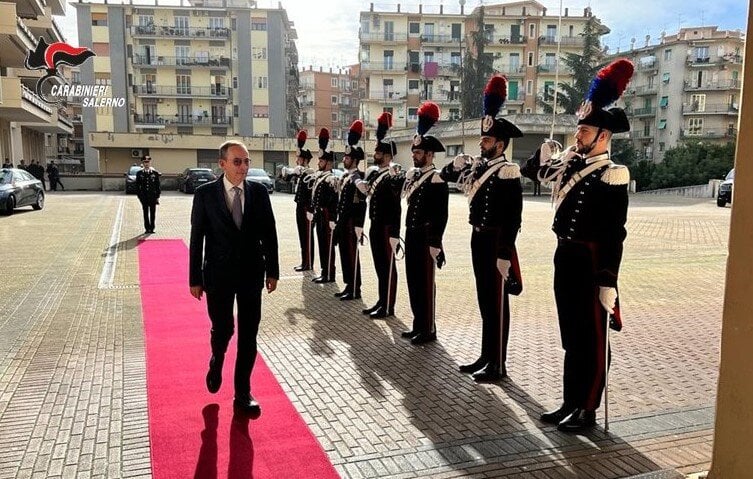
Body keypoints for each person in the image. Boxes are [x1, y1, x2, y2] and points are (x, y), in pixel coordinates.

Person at [534, 59, 633, 432]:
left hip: (593, 264)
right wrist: (546, 153)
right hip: (566, 257)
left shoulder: (612, 174)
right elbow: (535, 172)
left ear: (603, 136)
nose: (578, 136)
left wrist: (609, 280)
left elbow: (614, 232)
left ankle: (588, 409)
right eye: (579, 130)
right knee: (571, 336)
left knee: (592, 339)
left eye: (585, 130)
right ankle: (570, 401)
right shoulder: (572, 165)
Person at [441, 75, 523, 382]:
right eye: (481, 140)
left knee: (497, 303)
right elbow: (446, 174)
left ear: (500, 144)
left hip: (496, 244)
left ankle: (498, 364)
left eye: (486, 141)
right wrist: (457, 164)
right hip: (478, 240)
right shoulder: (479, 167)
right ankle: (486, 355)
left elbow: (513, 217)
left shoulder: (507, 171)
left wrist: (505, 253)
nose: (481, 144)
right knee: (484, 301)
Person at [189, 140, 279, 416]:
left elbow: (270, 233)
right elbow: (197, 239)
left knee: (249, 335)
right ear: (222, 164)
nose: (243, 167)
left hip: (251, 274)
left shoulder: (259, 193)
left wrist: (273, 270)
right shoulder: (205, 194)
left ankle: (243, 392)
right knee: (224, 328)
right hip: (218, 275)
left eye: (247, 162)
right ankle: (217, 359)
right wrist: (195, 278)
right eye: (237, 162)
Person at [400, 102, 449, 345]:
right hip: (411, 235)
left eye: (418, 153)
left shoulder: (437, 179)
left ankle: (428, 328)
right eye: (414, 153)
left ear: (429, 155)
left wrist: (435, 243)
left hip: (426, 238)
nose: (414, 156)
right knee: (413, 282)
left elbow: (441, 215)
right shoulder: (415, 176)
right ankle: (418, 323)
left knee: (426, 284)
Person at [356, 112, 404, 319]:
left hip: (386, 227)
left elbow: (396, 205)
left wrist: (395, 232)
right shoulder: (375, 173)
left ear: (387, 155)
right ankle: (381, 300)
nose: (374, 154)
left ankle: (388, 305)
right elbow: (367, 192)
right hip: (375, 224)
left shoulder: (394, 174)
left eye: (378, 152)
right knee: (379, 266)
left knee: (388, 267)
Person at [334, 120, 367, 300]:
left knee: (353, 256)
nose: (344, 160)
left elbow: (362, 202)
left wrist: (360, 225)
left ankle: (356, 288)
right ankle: (348, 284)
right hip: (343, 220)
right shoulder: (346, 176)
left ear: (354, 160)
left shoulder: (358, 177)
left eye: (347, 158)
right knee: (345, 255)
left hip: (352, 222)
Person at [309, 128, 339, 284]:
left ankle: (330, 273)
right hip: (320, 215)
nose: (318, 163)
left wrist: (333, 218)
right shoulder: (320, 176)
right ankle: (324, 271)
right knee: (321, 244)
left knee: (328, 246)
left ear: (329, 163)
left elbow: (334, 200)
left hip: (328, 216)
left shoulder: (331, 178)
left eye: (321, 161)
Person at [285, 130, 316, 272]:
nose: (297, 161)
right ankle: (304, 261)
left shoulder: (310, 173)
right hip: (299, 206)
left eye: (299, 159)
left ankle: (308, 263)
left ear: (305, 160)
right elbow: (285, 179)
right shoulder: (300, 172)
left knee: (307, 235)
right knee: (302, 235)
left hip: (306, 208)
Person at [135, 155, 161, 234]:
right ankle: (147, 228)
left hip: (153, 197)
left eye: (148, 162)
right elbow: (137, 186)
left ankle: (152, 228)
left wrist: (157, 196)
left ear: (150, 162)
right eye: (145, 162)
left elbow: (158, 186)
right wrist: (140, 196)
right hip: (144, 197)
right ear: (142, 163)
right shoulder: (139, 173)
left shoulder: (155, 173)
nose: (146, 164)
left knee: (153, 213)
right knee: (145, 213)